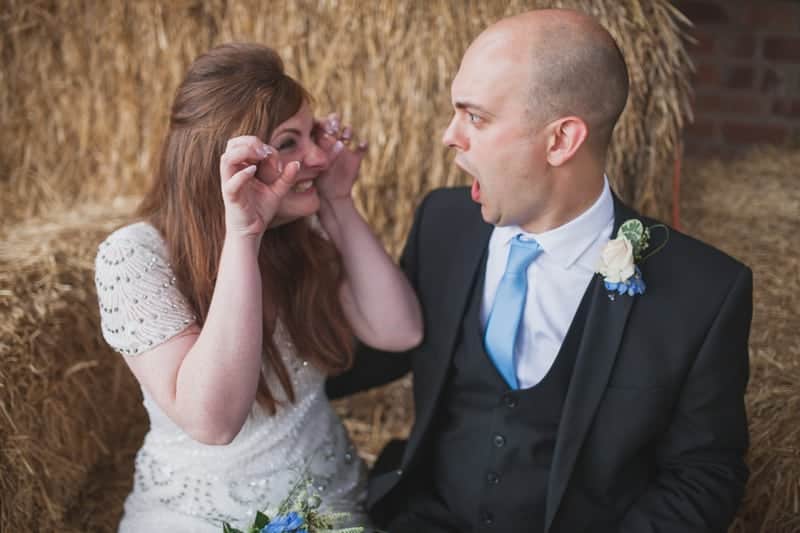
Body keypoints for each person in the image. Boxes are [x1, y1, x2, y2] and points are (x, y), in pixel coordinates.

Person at [328, 8, 752, 533]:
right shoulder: (443, 225)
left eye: (475, 117)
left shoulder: (703, 292)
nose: (448, 135)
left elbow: (704, 474)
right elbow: (373, 354)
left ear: (560, 140)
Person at [94, 43, 422, 532]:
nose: (317, 156)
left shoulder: (302, 237)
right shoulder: (135, 255)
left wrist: (338, 201)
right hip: (195, 516)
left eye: (314, 134)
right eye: (288, 143)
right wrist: (242, 236)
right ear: (225, 162)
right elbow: (213, 422)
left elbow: (400, 332)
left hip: (330, 509)